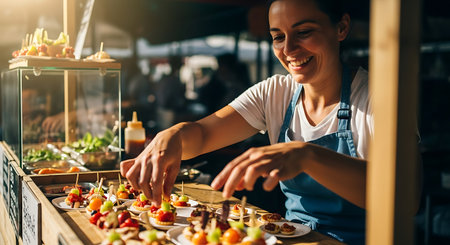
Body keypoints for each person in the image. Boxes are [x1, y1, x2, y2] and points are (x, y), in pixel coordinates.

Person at [121, 0, 421, 244]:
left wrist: (307, 155)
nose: (288, 50)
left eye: (304, 32)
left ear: (341, 27)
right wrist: (171, 135)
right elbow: (200, 135)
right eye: (278, 37)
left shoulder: (380, 98)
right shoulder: (274, 92)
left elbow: (407, 197)